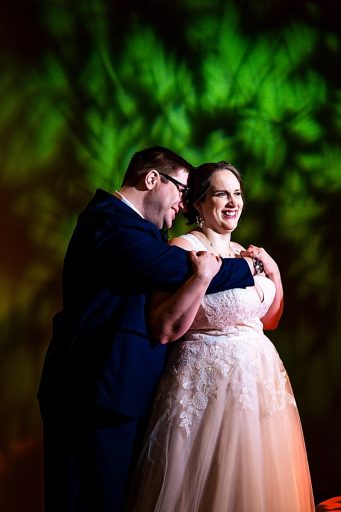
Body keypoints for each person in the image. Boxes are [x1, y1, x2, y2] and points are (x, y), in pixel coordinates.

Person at [37, 147, 261, 512]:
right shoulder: (109, 222)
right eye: (181, 190)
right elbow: (170, 267)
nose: (182, 203)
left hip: (118, 392)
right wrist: (247, 268)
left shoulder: (141, 229)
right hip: (93, 393)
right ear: (152, 179)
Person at [129, 161, 314, 511]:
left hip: (261, 386)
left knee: (257, 485)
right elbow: (165, 326)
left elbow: (270, 320)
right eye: (222, 194)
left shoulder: (245, 253)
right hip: (209, 383)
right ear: (198, 203)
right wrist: (201, 278)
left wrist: (274, 273)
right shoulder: (182, 249)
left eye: (238, 193)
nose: (233, 202)